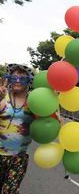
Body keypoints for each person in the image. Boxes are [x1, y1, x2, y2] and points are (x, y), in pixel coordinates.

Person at [0, 64, 35, 194]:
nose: (18, 81)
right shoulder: (4, 97)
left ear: (28, 81)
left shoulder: (33, 101)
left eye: (22, 78)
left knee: (10, 191)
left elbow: (45, 120)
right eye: (14, 77)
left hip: (18, 158)